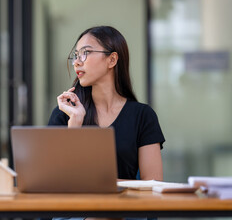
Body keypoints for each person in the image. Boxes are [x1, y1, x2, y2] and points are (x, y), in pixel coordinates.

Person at [48, 26, 165, 180]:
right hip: (75, 204)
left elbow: (153, 186)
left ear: (112, 60)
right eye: (76, 55)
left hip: (125, 204)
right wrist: (75, 124)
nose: (76, 62)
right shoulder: (65, 114)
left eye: (85, 53)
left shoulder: (142, 116)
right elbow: (54, 180)